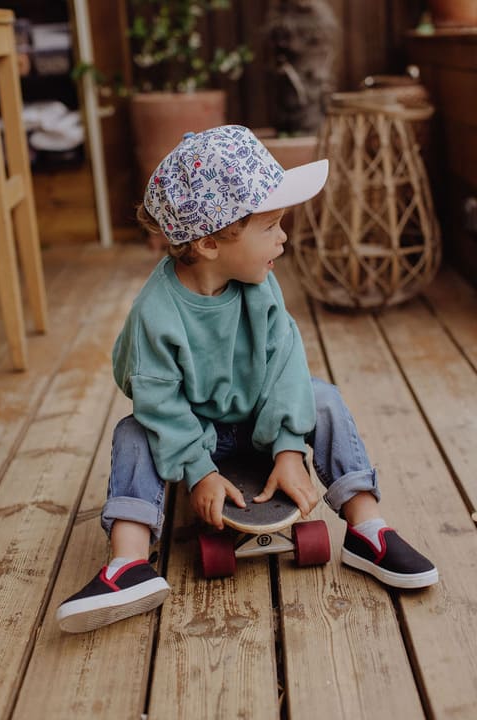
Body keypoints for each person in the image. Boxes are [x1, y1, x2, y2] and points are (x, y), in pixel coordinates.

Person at [56, 125, 438, 634]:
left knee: (322, 397)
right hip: (195, 438)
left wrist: (285, 447)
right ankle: (128, 562)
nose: (284, 237)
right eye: (271, 225)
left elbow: (286, 363)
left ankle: (368, 528)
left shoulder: (261, 287)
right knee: (133, 431)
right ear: (210, 242)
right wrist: (198, 470)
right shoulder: (156, 313)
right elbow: (156, 400)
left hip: (259, 424)